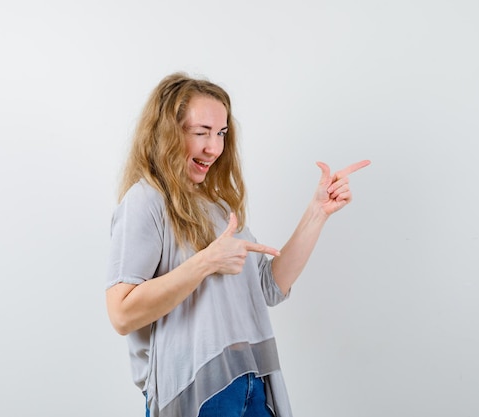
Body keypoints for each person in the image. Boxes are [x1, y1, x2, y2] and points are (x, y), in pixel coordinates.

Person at [105, 72, 370, 417]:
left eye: (221, 133)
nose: (213, 147)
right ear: (167, 133)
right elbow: (122, 313)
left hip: (253, 381)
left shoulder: (217, 206)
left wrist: (317, 212)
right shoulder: (146, 201)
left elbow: (268, 287)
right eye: (201, 132)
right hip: (197, 391)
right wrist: (205, 262)